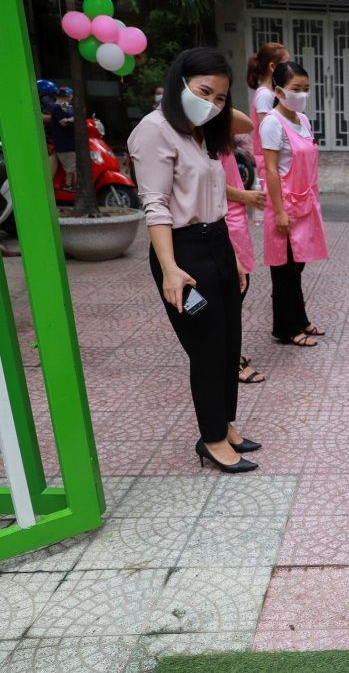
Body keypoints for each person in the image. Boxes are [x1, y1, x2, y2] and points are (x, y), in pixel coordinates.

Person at [128, 47, 262, 473]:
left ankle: (225, 421)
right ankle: (212, 439)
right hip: (183, 249)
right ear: (178, 82)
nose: (214, 104)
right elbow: (155, 205)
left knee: (229, 345)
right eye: (205, 91)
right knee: (206, 349)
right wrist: (170, 268)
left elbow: (216, 192)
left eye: (221, 97)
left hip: (218, 241)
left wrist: (235, 257)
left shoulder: (200, 129)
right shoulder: (154, 131)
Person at [260, 61, 328, 347]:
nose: (302, 94)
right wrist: (279, 212)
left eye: (306, 89)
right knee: (284, 271)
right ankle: (286, 328)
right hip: (285, 205)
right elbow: (271, 169)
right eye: (295, 89)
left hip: (305, 203)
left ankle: (300, 319)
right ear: (278, 90)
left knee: (297, 268)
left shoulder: (302, 119)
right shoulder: (272, 123)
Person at [222, 109, 268, 382]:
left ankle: (231, 352)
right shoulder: (197, 135)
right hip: (220, 214)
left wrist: (216, 104)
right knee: (231, 291)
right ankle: (230, 359)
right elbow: (207, 179)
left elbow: (246, 124)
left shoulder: (217, 127)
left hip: (235, 215)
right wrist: (244, 196)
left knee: (240, 284)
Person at [246, 42, 290, 183]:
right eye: (286, 64)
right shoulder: (265, 95)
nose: (289, 69)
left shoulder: (273, 92)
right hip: (271, 163)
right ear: (272, 67)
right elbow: (268, 134)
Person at [50, 87, 76, 189]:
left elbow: (71, 113)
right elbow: (63, 122)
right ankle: (68, 185)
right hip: (64, 143)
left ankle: (72, 184)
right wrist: (74, 119)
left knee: (72, 166)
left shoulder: (64, 105)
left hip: (70, 141)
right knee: (70, 168)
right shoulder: (57, 107)